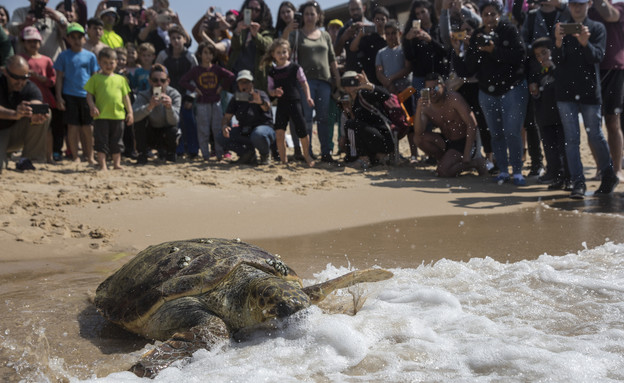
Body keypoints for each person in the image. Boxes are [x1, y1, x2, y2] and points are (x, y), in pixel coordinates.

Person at [452, 1, 528, 186]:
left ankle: (517, 171)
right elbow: (467, 70)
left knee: (512, 132)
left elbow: (520, 56)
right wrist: (457, 51)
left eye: (493, 14)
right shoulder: (477, 34)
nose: (489, 18)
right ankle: (502, 170)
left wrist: (494, 50)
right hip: (487, 92)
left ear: (499, 15)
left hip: (512, 88)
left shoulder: (509, 30)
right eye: (486, 14)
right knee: (496, 134)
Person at [553, 0, 619, 198]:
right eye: (573, 4)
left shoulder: (597, 28)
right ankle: (578, 182)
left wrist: (585, 43)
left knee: (595, 135)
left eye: (581, 4)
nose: (577, 8)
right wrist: (557, 41)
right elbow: (556, 60)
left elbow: (597, 57)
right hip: (565, 92)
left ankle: (608, 174)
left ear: (589, 4)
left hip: (590, 91)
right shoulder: (562, 26)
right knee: (571, 139)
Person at [288, 1, 341, 163]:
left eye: (313, 13)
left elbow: (332, 60)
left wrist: (337, 82)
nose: (310, 17)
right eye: (306, 14)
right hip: (305, 83)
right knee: (307, 120)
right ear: (302, 16)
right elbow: (285, 50)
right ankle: (308, 152)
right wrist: (289, 28)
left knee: (324, 118)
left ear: (318, 16)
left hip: (325, 82)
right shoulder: (296, 34)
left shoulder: (325, 35)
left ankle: (326, 152)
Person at [413, 73, 487, 177]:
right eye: (428, 89)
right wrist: (419, 109)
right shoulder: (426, 106)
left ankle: (476, 163)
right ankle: (447, 161)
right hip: (448, 142)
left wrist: (466, 154)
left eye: (435, 88)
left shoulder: (453, 98)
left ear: (443, 86)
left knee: (443, 172)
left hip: (464, 141)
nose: (432, 92)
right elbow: (418, 132)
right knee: (418, 139)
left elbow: (472, 124)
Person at [263, 38, 314, 166]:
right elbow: (269, 89)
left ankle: (307, 156)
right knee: (279, 132)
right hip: (281, 105)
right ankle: (283, 160)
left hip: (295, 102)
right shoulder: (272, 71)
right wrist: (274, 92)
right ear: (273, 55)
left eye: (284, 52)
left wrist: (308, 97)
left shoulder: (295, 67)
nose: (281, 55)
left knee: (302, 130)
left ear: (289, 53)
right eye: (278, 52)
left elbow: (304, 83)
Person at [179, 42, 234, 161]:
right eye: (205, 53)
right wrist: (194, 89)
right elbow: (183, 81)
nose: (208, 56)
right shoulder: (196, 70)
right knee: (203, 129)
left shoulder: (216, 69)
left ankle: (219, 155)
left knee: (217, 128)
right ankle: (205, 155)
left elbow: (231, 76)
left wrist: (222, 87)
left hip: (216, 102)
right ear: (200, 54)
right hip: (202, 102)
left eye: (210, 53)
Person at [589, 0, 624, 182]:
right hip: (589, 68)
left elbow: (610, 15)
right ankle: (600, 169)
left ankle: (617, 169)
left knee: (613, 122)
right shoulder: (585, 10)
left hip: (613, 68)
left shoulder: (618, 7)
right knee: (593, 124)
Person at [54, 22, 99, 164]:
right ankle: (75, 156)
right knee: (72, 127)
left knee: (88, 128)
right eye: (72, 37)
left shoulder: (90, 56)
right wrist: (59, 97)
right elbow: (59, 77)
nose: (76, 40)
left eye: (79, 36)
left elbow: (94, 77)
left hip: (86, 96)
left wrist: (94, 97)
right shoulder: (63, 56)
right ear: (67, 39)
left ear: (84, 38)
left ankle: (90, 156)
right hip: (69, 95)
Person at [528, 37, 569, 189]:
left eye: (544, 52)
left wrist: (553, 67)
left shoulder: (560, 66)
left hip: (561, 115)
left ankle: (567, 175)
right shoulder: (537, 71)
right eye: (538, 55)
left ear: (552, 50)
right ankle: (554, 173)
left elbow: (565, 83)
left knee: (563, 147)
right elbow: (536, 93)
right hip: (544, 116)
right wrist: (535, 91)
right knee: (549, 147)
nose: (541, 57)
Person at [84, 47, 133, 171]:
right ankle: (103, 165)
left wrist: (130, 112)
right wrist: (92, 106)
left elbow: (126, 97)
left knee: (117, 142)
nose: (108, 65)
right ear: (99, 62)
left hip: (118, 116)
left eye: (111, 63)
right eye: (105, 63)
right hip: (101, 116)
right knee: (101, 142)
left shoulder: (121, 79)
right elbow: (89, 95)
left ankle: (116, 164)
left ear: (116, 62)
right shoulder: (95, 78)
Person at [155, 24, 199, 160]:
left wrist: (191, 97)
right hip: (168, 95)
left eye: (178, 37)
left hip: (186, 95)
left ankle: (192, 150)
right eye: (173, 38)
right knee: (172, 123)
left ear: (185, 39)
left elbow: (196, 78)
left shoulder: (190, 56)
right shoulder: (163, 55)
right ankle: (176, 150)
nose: (176, 41)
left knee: (189, 120)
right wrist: (157, 95)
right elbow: (156, 75)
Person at [0, 55, 50, 172]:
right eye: (16, 77)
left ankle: (27, 159)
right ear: (5, 72)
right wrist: (14, 114)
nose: (21, 82)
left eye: (25, 77)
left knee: (45, 114)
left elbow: (36, 102)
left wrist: (35, 113)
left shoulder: (30, 87)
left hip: (14, 133)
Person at [219, 69, 275, 165]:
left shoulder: (260, 94)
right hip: (245, 131)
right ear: (238, 84)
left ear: (252, 83)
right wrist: (224, 126)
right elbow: (226, 117)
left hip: (264, 130)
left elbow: (267, 107)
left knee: (258, 134)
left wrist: (260, 102)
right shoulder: (236, 98)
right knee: (221, 137)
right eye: (241, 82)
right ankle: (247, 154)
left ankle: (265, 155)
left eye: (247, 82)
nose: (244, 85)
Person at [341, 71, 396, 167]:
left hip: (384, 139)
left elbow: (386, 96)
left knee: (350, 124)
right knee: (350, 124)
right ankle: (371, 158)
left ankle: (360, 158)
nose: (351, 85)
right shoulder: (350, 101)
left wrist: (370, 85)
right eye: (346, 82)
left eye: (354, 81)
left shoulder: (364, 94)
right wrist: (349, 113)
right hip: (372, 138)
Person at [19, 26, 56, 163]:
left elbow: (52, 81)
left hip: (43, 97)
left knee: (46, 126)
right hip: (23, 100)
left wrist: (39, 77)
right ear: (23, 43)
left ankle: (48, 156)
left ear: (40, 42)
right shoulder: (20, 59)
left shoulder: (46, 60)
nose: (33, 44)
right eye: (29, 41)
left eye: (35, 41)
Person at [132, 63, 181, 164]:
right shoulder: (143, 95)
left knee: (174, 130)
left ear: (168, 81)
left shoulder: (174, 94)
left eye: (162, 80)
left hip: (166, 132)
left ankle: (170, 153)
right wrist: (149, 107)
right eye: (155, 80)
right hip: (150, 132)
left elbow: (175, 121)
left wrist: (169, 107)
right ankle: (142, 153)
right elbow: (134, 117)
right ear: (150, 81)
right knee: (139, 124)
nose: (159, 83)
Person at [403, 0, 450, 94]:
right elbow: (409, 57)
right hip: (420, 78)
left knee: (442, 105)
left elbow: (446, 52)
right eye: (417, 14)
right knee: (423, 106)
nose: (421, 16)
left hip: (439, 75)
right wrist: (408, 41)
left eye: (423, 12)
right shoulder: (413, 32)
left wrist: (430, 40)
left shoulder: (438, 28)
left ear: (429, 10)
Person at [227, 0, 274, 92]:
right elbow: (235, 46)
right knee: (238, 104)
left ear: (262, 12)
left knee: (255, 104)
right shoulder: (240, 26)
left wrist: (256, 35)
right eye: (250, 9)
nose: (253, 12)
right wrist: (237, 31)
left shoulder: (268, 30)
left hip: (257, 77)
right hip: (238, 75)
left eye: (257, 10)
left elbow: (268, 47)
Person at [350, 6, 389, 86]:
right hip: (372, 79)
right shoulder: (368, 37)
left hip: (389, 77)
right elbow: (352, 48)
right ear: (373, 21)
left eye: (383, 19)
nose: (380, 22)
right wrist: (360, 35)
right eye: (377, 19)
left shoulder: (391, 38)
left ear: (387, 21)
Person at [334, 0, 369, 73]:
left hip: (371, 71)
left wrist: (367, 29)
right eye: (352, 10)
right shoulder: (344, 29)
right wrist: (343, 38)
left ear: (364, 8)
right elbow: (335, 53)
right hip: (353, 72)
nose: (355, 12)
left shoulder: (371, 26)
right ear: (349, 11)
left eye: (358, 9)